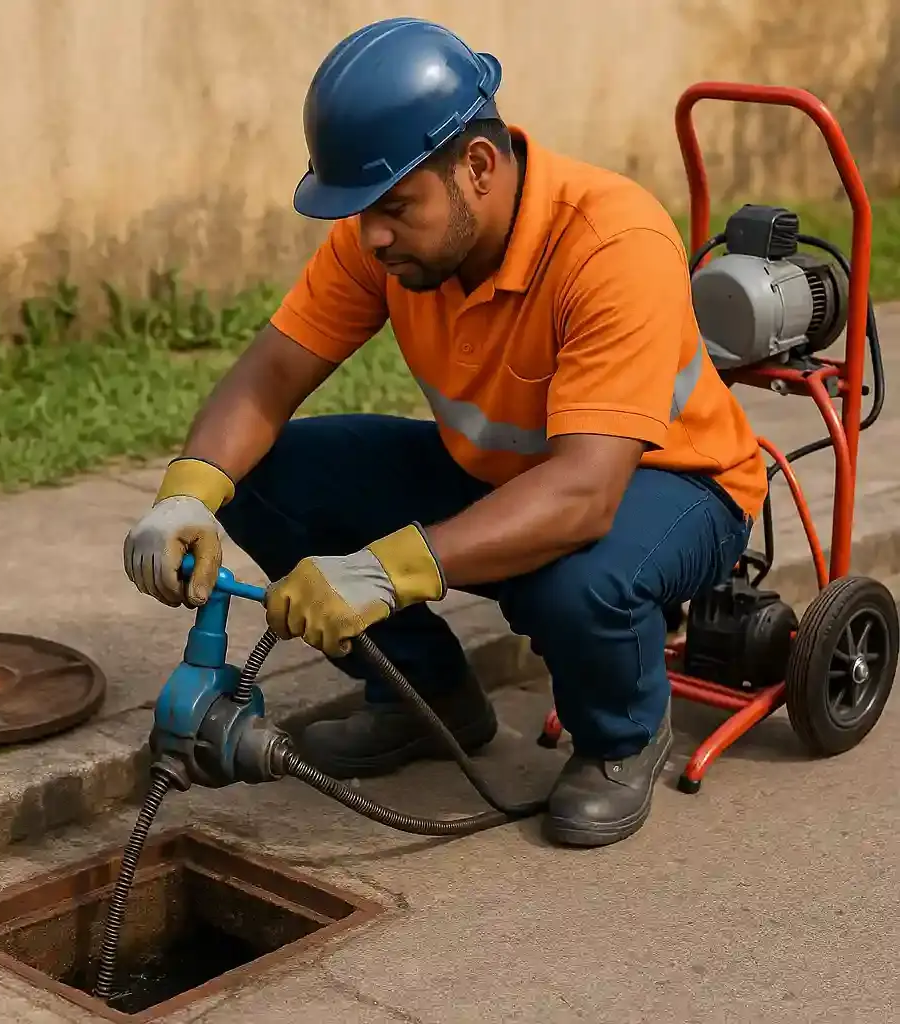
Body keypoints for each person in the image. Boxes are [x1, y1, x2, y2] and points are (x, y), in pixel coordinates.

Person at [122, 17, 767, 848]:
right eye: (360, 213)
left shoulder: (612, 242)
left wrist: (384, 572)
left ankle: (622, 737)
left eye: (393, 207)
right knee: (262, 477)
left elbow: (582, 494)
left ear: (478, 166)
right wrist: (185, 497)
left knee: (569, 583)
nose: (374, 235)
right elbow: (270, 375)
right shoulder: (384, 243)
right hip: (505, 474)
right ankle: (428, 702)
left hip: (672, 486)